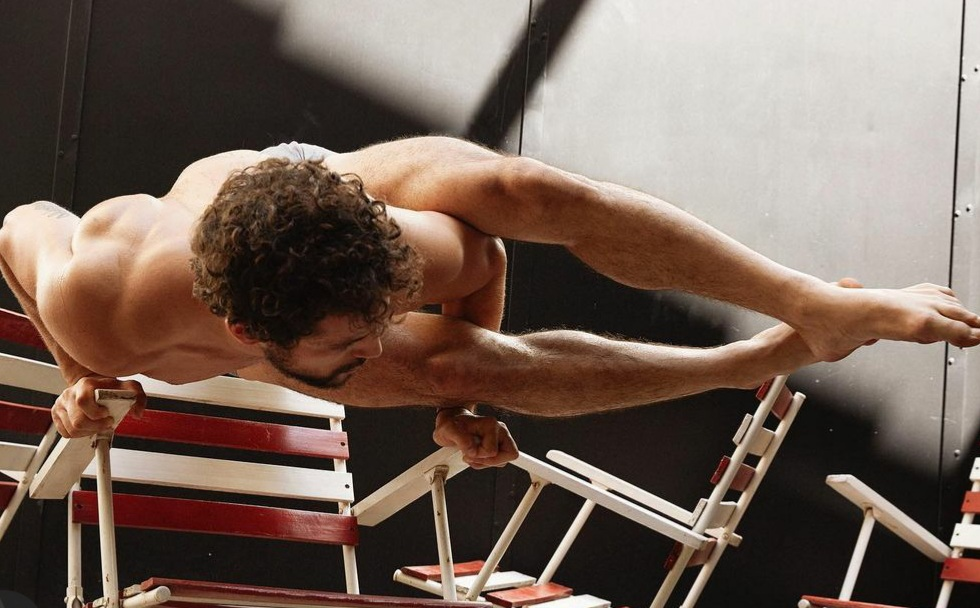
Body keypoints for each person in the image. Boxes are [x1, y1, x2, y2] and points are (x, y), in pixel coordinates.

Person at [1, 138, 977, 468]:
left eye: (381, 316)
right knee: (456, 360)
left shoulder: (397, 248)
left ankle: (809, 304)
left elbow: (483, 255)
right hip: (200, 259)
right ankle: (762, 355)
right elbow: (17, 222)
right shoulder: (95, 295)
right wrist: (77, 378)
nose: (383, 340)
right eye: (356, 342)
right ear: (249, 335)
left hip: (315, 186)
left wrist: (461, 401)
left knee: (516, 190)